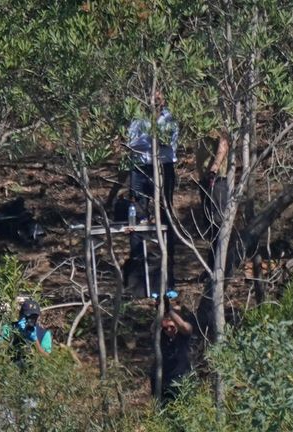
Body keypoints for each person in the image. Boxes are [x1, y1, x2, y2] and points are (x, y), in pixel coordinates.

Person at [126, 91, 179, 290]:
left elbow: (169, 142)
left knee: (166, 217)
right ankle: (138, 277)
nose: (155, 100)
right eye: (152, 96)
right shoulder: (138, 116)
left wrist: (148, 139)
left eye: (159, 97)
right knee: (136, 217)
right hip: (140, 169)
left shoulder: (170, 117)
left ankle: (168, 276)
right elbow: (132, 142)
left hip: (164, 168)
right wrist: (154, 140)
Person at [195, 126, 230, 272]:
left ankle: (221, 266)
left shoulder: (216, 119)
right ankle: (212, 265)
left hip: (216, 179)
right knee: (209, 225)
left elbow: (224, 142)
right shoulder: (198, 119)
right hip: (204, 179)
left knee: (218, 223)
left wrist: (214, 168)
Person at [150, 294, 193, 402]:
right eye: (165, 328)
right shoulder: (160, 336)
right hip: (161, 381)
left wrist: (169, 310)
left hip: (180, 381)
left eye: (172, 327)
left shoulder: (183, 335)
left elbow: (184, 326)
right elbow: (153, 329)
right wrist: (160, 312)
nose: (168, 330)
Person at [1, 299, 52, 367]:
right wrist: (17, 332)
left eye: (34, 317)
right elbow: (0, 352)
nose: (31, 319)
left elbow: (46, 359)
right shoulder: (8, 328)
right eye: (27, 316)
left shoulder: (44, 334)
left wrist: (35, 340)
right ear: (20, 315)